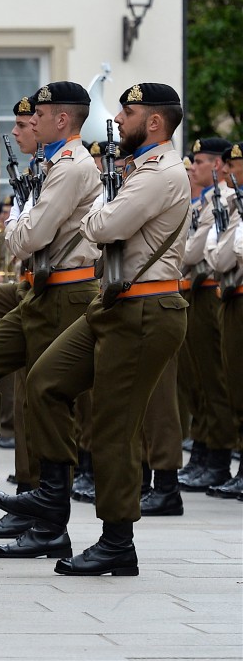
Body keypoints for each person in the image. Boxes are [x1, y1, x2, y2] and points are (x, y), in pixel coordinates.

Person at [0, 82, 190, 576]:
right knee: (45, 381)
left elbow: (101, 227)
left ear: (156, 123)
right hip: (114, 305)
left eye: (129, 112)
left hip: (146, 309)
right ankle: (52, 501)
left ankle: (117, 540)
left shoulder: (160, 174)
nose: (119, 119)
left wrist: (101, 209)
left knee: (113, 428)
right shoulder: (136, 170)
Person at [0, 82, 102, 560]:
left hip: (67, 293)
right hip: (40, 290)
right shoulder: (49, 165)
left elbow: (25, 236)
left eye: (38, 115)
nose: (29, 123)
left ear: (62, 120)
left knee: (43, 395)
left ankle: (47, 519)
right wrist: (20, 224)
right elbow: (24, 233)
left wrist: (17, 224)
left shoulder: (73, 166)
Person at [175, 136, 234, 491]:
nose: (192, 167)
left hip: (211, 290)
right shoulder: (203, 201)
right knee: (195, 380)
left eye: (198, 161)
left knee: (215, 378)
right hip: (192, 291)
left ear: (216, 165)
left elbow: (193, 250)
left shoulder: (224, 200)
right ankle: (203, 449)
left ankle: (220, 455)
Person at [205, 141, 243, 498]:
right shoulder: (231, 205)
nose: (230, 171)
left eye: (236, 165)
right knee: (233, 384)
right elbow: (216, 255)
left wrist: (220, 250)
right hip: (232, 296)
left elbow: (221, 258)